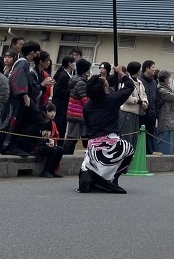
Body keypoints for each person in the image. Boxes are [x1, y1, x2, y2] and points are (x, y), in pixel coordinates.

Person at [78, 65, 136, 194]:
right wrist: (121, 74)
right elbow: (129, 87)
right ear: (104, 88)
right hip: (111, 142)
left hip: (93, 145)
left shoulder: (87, 106)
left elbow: (87, 124)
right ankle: (112, 179)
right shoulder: (112, 99)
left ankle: (92, 177)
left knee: (89, 162)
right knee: (129, 149)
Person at [5, 42, 43, 156]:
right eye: (37, 51)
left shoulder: (24, 63)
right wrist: (24, 94)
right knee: (29, 121)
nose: (38, 54)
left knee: (24, 122)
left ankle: (19, 145)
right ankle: (12, 145)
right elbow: (17, 79)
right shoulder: (23, 62)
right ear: (32, 52)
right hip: (19, 98)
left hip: (22, 98)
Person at [24, 102, 64, 178]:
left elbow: (55, 136)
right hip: (36, 146)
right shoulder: (39, 122)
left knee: (60, 150)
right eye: (50, 111)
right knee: (53, 150)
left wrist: (52, 141)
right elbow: (34, 137)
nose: (53, 113)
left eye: (54, 111)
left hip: (47, 144)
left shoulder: (52, 124)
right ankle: (45, 171)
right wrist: (45, 143)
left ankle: (52, 170)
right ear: (44, 112)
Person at [63, 58, 91, 154]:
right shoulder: (81, 83)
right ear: (85, 70)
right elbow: (85, 100)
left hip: (74, 113)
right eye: (88, 69)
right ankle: (64, 157)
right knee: (71, 140)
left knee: (74, 139)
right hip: (78, 115)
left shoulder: (75, 80)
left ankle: (66, 156)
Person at [118, 61, 148, 141]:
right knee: (126, 137)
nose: (140, 71)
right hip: (127, 113)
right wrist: (138, 101)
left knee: (134, 138)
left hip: (136, 113)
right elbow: (126, 98)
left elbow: (143, 94)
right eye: (139, 69)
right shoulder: (126, 82)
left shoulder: (140, 82)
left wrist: (145, 101)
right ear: (135, 70)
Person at [155, 70, 174, 155]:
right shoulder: (162, 90)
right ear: (165, 79)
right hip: (165, 118)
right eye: (169, 77)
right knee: (165, 140)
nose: (170, 79)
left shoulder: (166, 88)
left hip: (170, 118)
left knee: (170, 140)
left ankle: (170, 156)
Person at [52, 56, 75, 138]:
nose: (75, 64)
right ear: (69, 64)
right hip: (59, 106)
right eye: (73, 62)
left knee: (62, 129)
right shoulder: (63, 76)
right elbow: (57, 91)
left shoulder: (68, 75)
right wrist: (71, 91)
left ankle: (59, 144)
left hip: (64, 106)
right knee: (58, 127)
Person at [139, 60, 159, 153]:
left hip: (152, 114)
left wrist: (156, 111)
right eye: (153, 67)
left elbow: (157, 98)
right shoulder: (139, 81)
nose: (154, 69)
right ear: (147, 68)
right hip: (142, 114)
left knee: (151, 136)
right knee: (141, 135)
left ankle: (150, 153)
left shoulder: (154, 82)